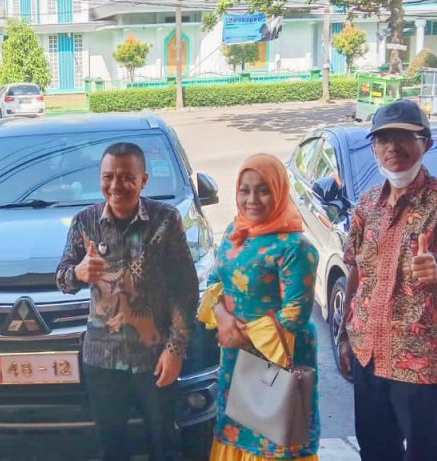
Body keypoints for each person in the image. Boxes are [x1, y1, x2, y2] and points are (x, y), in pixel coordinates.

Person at [338, 99, 437, 461]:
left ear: (426, 143)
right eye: (383, 139)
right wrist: (344, 336)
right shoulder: (367, 204)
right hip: (367, 355)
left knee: (425, 454)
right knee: (375, 451)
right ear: (374, 147)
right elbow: (355, 270)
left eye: (404, 137)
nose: (393, 147)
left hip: (420, 364)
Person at [55, 142, 198, 461]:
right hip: (102, 359)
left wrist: (175, 349)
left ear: (143, 180)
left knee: (164, 445)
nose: (116, 185)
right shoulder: (85, 222)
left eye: (126, 177)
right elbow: (62, 278)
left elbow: (186, 290)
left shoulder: (165, 219)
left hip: (155, 356)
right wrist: (78, 273)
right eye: (108, 177)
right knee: (112, 449)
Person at [197, 153, 320, 460]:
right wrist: (222, 317)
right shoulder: (234, 233)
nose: (252, 199)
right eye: (245, 190)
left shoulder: (294, 247)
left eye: (263, 190)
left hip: (275, 358)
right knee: (234, 430)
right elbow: (215, 281)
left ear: (279, 191)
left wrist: (241, 336)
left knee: (273, 438)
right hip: (234, 354)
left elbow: (295, 314)